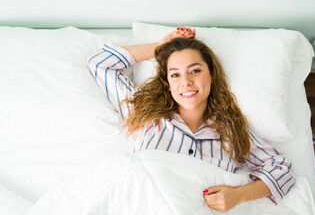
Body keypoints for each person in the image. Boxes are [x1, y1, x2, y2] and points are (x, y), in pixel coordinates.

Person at [87, 27, 295, 213]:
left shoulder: (231, 131)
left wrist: (239, 195)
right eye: (175, 75)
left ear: (211, 75)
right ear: (167, 83)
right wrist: (160, 48)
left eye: (195, 71)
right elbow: (100, 64)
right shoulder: (145, 116)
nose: (186, 82)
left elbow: (282, 169)